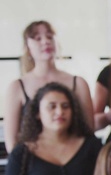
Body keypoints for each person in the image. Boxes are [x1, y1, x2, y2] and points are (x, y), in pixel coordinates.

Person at [4, 21, 93, 153]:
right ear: (27, 46)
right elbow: (12, 143)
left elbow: (89, 131)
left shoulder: (78, 83)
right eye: (38, 38)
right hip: (34, 163)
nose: (45, 42)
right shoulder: (17, 87)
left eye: (50, 36)